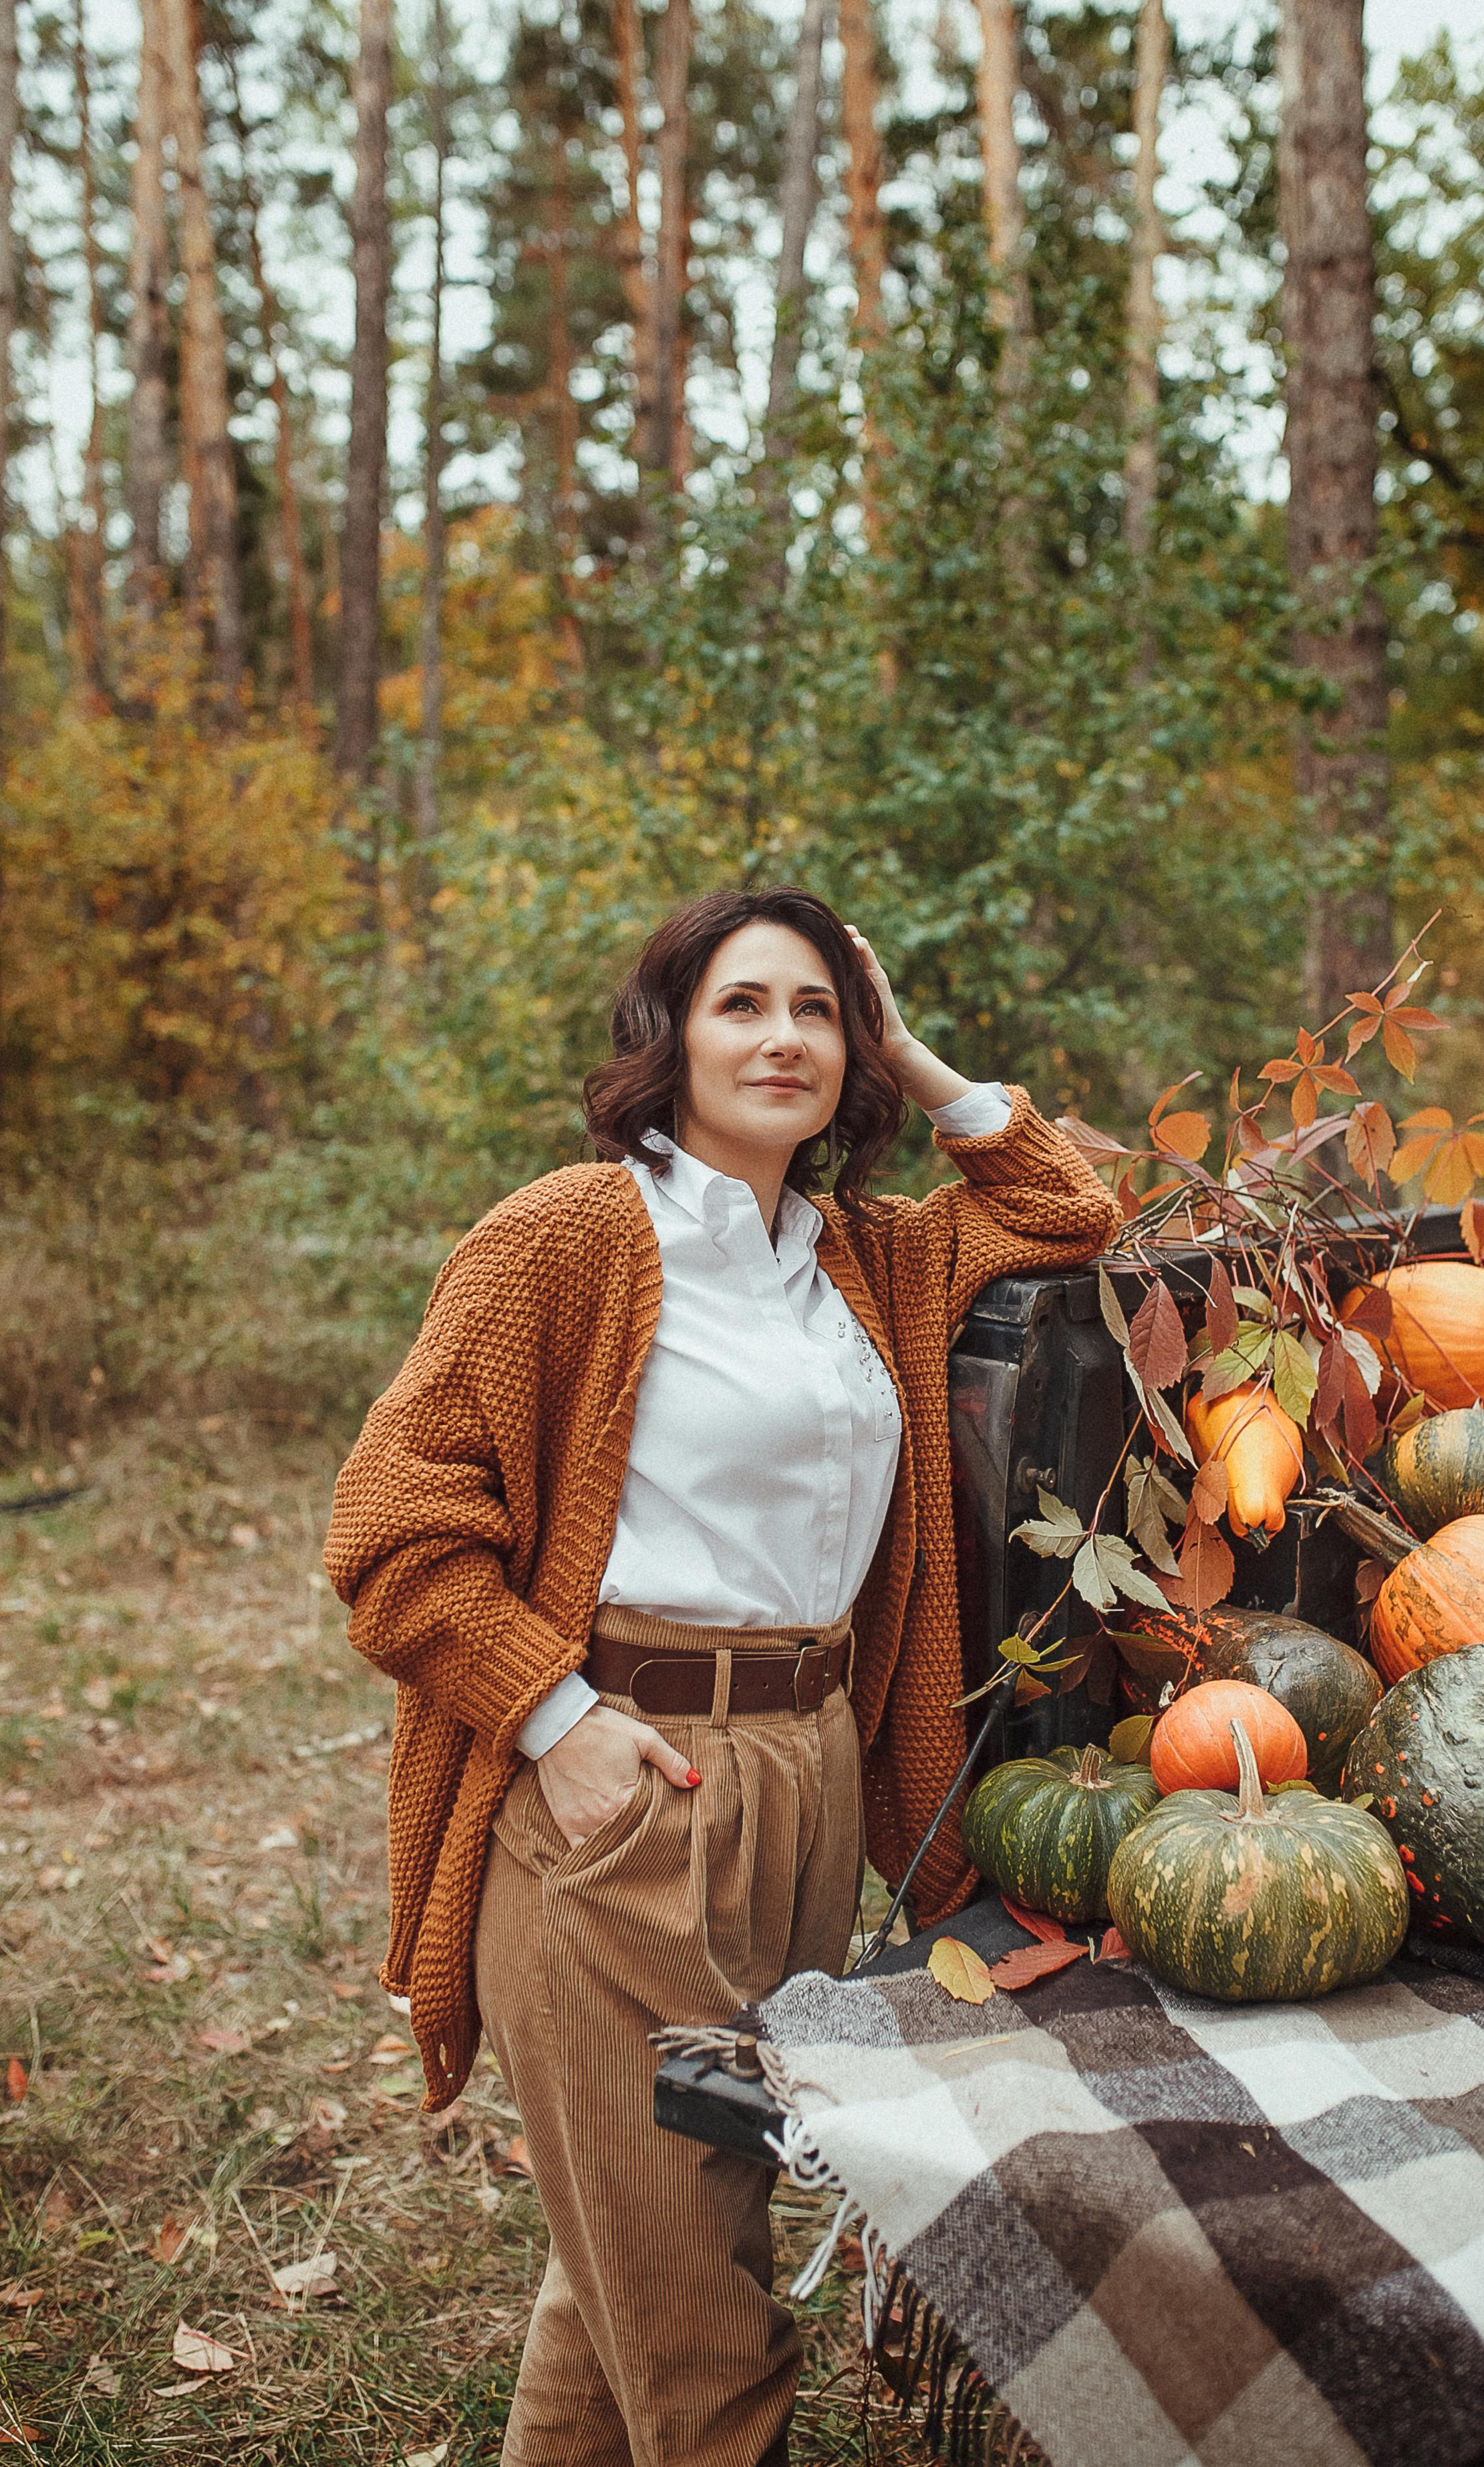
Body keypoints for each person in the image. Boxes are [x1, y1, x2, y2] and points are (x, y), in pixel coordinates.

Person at [324, 886, 1120, 2467]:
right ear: (669, 1035)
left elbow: (1068, 1208)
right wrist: (553, 1720)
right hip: (626, 1791)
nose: (783, 1038)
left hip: (809, 1778)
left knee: (643, 2252)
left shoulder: (865, 1254)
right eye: (742, 1003)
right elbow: (389, 1524)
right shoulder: (569, 1234)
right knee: (704, 2328)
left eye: (818, 1010)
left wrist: (908, 1043)